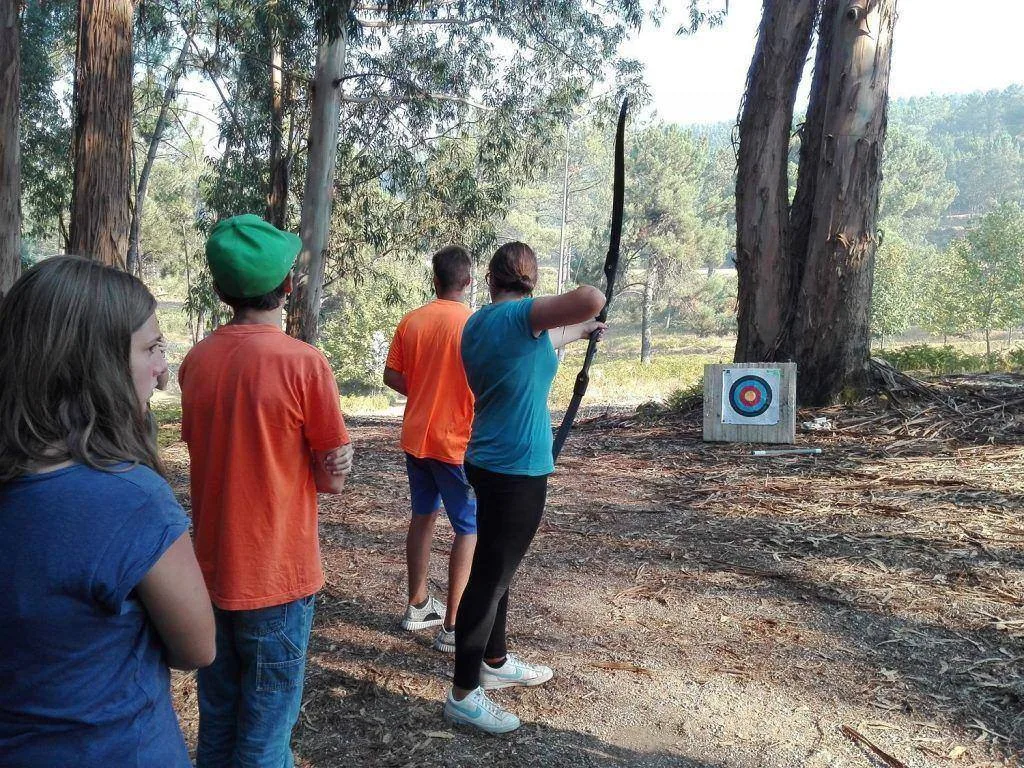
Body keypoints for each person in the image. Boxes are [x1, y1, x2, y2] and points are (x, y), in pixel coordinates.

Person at [0, 256, 215, 767]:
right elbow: (198, 648)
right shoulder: (128, 500)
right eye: (150, 348)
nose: (162, 368)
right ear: (92, 365)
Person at [178, 214, 354, 767]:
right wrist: (333, 467)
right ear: (287, 288)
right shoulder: (305, 364)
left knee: (219, 724)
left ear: (220, 291)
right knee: (266, 738)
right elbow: (331, 477)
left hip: (210, 572)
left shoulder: (195, 362)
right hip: (278, 576)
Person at [442, 242, 606, 734]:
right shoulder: (520, 318)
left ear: (490, 279)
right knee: (490, 576)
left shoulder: (480, 324)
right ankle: (464, 694)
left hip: (489, 461)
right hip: (516, 470)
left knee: (498, 564)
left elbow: (545, 340)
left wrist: (582, 333)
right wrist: (585, 315)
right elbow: (592, 296)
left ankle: (493, 659)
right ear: (528, 281)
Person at [384, 245, 477, 653]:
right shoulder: (475, 325)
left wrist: (422, 390)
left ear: (435, 280)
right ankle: (454, 626)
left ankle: (418, 603)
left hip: (417, 438)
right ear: (469, 281)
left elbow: (392, 375)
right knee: (469, 529)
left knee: (423, 516)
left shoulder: (412, 321)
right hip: (455, 442)